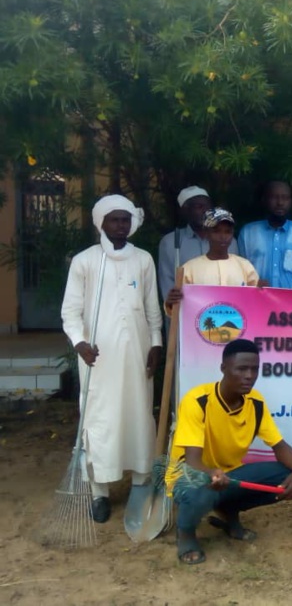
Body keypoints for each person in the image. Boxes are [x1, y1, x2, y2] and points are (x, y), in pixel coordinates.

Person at [60, 195, 163, 523]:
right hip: (97, 357)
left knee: (137, 413)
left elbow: (152, 308)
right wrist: (79, 343)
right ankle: (99, 492)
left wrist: (156, 343)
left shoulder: (144, 259)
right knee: (100, 419)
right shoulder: (85, 261)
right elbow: (70, 312)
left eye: (126, 219)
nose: (121, 225)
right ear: (101, 222)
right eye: (115, 219)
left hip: (137, 352)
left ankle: (139, 482)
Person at [168, 338, 292, 565]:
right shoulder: (198, 401)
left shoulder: (255, 402)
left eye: (254, 369)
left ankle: (227, 509)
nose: (249, 375)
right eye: (241, 368)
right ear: (224, 368)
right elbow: (192, 460)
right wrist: (213, 474)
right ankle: (185, 532)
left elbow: (280, 446)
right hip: (192, 475)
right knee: (203, 487)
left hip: (231, 476)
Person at [164, 208, 263, 312]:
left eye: (228, 232)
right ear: (206, 233)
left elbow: (256, 305)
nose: (223, 237)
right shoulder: (190, 269)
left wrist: (263, 292)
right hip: (201, 327)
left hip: (240, 327)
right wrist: (171, 303)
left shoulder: (245, 266)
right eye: (216, 231)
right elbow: (180, 311)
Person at [157, 186, 239, 301]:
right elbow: (167, 283)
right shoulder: (170, 242)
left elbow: (236, 279)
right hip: (185, 311)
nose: (206, 211)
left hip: (221, 310)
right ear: (185, 210)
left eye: (208, 207)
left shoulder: (228, 241)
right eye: (199, 207)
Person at [238, 180, 292, 290]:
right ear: (264, 200)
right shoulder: (248, 233)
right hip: (256, 302)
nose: (280, 202)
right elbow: (240, 274)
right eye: (274, 197)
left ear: (291, 201)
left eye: (285, 198)